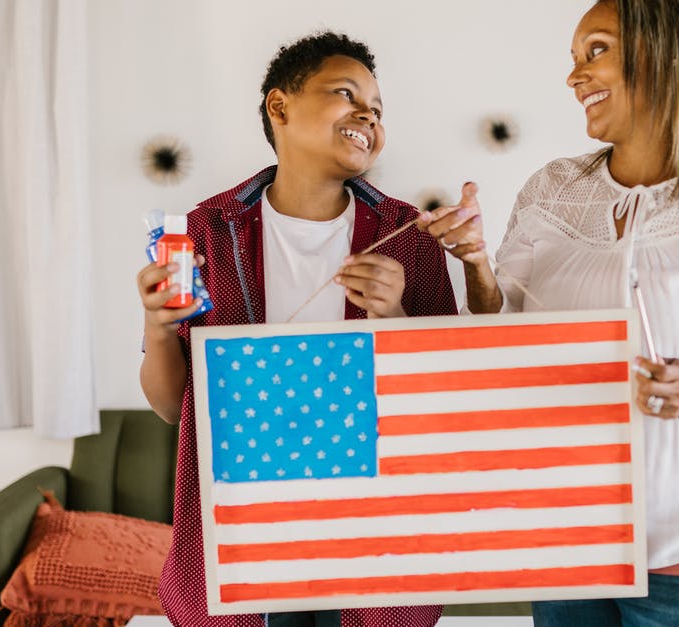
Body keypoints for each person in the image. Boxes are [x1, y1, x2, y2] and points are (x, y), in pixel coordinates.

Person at [419, 0, 679, 625]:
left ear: (665, 56)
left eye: (596, 51)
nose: (575, 77)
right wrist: (477, 264)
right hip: (570, 546)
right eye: (572, 61)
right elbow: (500, 346)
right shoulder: (552, 191)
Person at [137, 32, 453, 627]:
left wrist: (396, 318)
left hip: (373, 536)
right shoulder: (207, 231)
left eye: (379, 109)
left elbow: (444, 400)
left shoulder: (409, 236)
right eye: (345, 93)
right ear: (279, 108)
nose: (368, 115)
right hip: (243, 531)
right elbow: (172, 407)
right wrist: (159, 328)